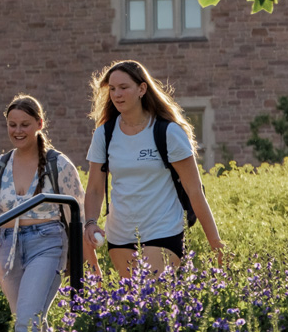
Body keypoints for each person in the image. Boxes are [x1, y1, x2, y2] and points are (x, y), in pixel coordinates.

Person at [0, 94, 100, 332]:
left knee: (26, 322)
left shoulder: (59, 164)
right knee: (30, 321)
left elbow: (75, 216)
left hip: (47, 243)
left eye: (25, 124)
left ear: (40, 124)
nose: (17, 131)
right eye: (12, 124)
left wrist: (89, 260)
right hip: (7, 248)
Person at [83, 60, 224, 278]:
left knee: (149, 299)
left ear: (142, 89)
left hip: (163, 230)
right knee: (132, 307)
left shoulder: (167, 132)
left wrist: (217, 246)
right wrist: (91, 222)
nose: (117, 94)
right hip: (119, 235)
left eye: (124, 87)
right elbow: (93, 189)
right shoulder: (104, 134)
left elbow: (194, 191)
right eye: (112, 89)